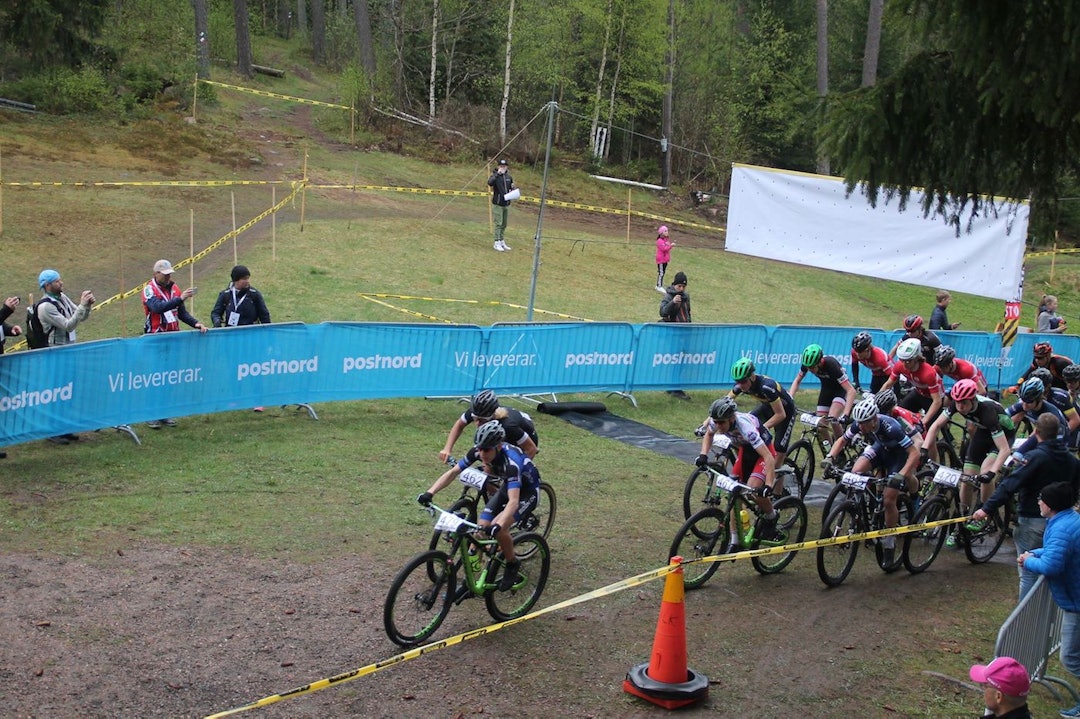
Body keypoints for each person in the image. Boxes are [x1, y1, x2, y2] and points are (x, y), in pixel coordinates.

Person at [419, 421, 540, 592]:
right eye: (479, 448)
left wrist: (499, 524)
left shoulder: (511, 464)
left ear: (498, 446)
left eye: (487, 450)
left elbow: (513, 502)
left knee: (499, 529)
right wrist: (429, 493)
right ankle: (478, 577)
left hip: (527, 493)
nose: (482, 453)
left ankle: (512, 563)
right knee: (480, 531)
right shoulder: (478, 451)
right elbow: (454, 472)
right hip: (507, 487)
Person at [972, 413, 1080, 599]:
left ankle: (1025, 620)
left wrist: (986, 508)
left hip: (1032, 521)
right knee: (1055, 569)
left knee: (1028, 573)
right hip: (1062, 524)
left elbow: (1009, 484)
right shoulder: (1072, 460)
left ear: (1036, 432)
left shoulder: (1034, 457)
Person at [822, 397, 920, 567]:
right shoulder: (861, 423)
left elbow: (914, 453)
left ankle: (889, 543)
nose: (860, 427)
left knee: (889, 500)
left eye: (863, 423)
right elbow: (842, 440)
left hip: (898, 456)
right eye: (858, 423)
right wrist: (830, 458)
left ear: (874, 419)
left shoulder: (892, 428)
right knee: (855, 472)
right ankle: (860, 505)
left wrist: (901, 474)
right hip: (880, 449)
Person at [923, 379, 1015, 547]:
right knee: (966, 478)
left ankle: (985, 512)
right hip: (983, 433)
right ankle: (962, 521)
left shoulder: (987, 412)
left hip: (1003, 436)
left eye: (964, 403)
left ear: (973, 399)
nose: (960, 407)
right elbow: (935, 425)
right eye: (957, 402)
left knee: (986, 472)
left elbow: (1004, 450)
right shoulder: (956, 404)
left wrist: (992, 473)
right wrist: (924, 449)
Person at [1016, 480, 1080, 718]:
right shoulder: (1068, 520)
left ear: (1050, 505)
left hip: (1076, 603)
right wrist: (1035, 553)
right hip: (1074, 598)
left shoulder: (1062, 527)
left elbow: (1052, 564)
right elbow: (1056, 549)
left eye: (1041, 498)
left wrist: (1026, 561)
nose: (1038, 501)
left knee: (1071, 658)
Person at [695, 397, 779, 545]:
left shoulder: (746, 429)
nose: (718, 426)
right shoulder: (717, 421)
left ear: (732, 418)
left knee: (753, 491)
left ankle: (772, 516)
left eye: (722, 423)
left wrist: (769, 486)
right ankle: (734, 541)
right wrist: (703, 455)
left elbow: (768, 457)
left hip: (762, 452)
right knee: (735, 493)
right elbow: (709, 435)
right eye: (716, 422)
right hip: (744, 450)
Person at [142, 259, 207, 428]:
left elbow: (181, 313)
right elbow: (157, 308)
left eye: (170, 273)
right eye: (165, 274)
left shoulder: (175, 289)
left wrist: (196, 323)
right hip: (156, 338)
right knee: (156, 377)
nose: (168, 277)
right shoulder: (149, 290)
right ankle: (151, 414)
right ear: (156, 274)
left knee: (170, 376)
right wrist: (180, 298)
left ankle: (165, 412)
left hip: (173, 338)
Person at [35, 269, 95, 445]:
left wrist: (87, 305)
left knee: (67, 389)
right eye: (57, 281)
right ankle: (51, 430)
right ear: (47, 285)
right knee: (55, 391)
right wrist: (83, 306)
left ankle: (64, 427)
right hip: (55, 351)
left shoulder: (62, 297)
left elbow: (80, 317)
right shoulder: (46, 306)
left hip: (69, 350)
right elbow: (68, 325)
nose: (61, 283)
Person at [729, 357, 796, 469]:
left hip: (785, 412)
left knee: (777, 461)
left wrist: (762, 428)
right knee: (743, 427)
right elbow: (724, 403)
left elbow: (781, 414)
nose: (741, 385)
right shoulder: (741, 386)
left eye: (744, 381)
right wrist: (706, 424)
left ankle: (777, 483)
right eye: (738, 382)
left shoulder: (766, 387)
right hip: (766, 407)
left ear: (752, 376)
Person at [439, 389, 539, 463]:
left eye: (482, 420)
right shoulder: (478, 412)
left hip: (525, 440)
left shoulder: (507, 425)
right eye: (475, 419)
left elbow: (531, 449)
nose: (477, 423)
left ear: (492, 416)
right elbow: (459, 425)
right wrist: (447, 449)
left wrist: (518, 471)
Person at [788, 343, 857, 440]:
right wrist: (790, 398)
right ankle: (830, 452)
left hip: (840, 390)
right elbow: (797, 380)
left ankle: (840, 449)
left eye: (812, 367)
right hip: (827, 389)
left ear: (820, 361)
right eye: (808, 367)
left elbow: (851, 391)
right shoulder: (808, 363)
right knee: (820, 426)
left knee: (833, 419)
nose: (810, 370)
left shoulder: (831, 365)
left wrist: (845, 414)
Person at [879, 337, 945, 424]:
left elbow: (937, 401)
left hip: (932, 398)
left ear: (916, 358)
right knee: (898, 414)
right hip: (918, 392)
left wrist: (924, 421)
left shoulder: (928, 373)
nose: (905, 364)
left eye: (908, 361)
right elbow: (888, 385)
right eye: (902, 360)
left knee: (928, 428)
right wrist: (876, 400)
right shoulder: (900, 366)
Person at [659, 271, 692, 399]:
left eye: (684, 287)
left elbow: (688, 313)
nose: (681, 289)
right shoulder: (668, 296)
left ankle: (673, 386)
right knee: (677, 360)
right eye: (679, 286)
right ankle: (674, 387)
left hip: (684, 332)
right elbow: (662, 312)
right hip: (673, 333)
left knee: (682, 360)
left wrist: (690, 326)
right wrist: (673, 302)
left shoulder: (686, 297)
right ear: (674, 285)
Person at [487, 159, 515, 252]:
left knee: (504, 224)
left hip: (506, 203)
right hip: (498, 203)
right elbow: (490, 182)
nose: (502, 168)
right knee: (498, 223)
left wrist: (513, 190)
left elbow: (511, 187)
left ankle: (502, 240)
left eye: (504, 166)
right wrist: (497, 174)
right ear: (498, 166)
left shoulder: (509, 177)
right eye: (501, 166)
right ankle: (496, 242)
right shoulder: (495, 176)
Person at [654, 225, 673, 293]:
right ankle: (659, 286)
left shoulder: (666, 240)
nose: (667, 232)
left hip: (665, 259)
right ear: (661, 233)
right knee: (661, 273)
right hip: (661, 260)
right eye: (665, 231)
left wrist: (669, 245)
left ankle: (659, 284)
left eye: (667, 230)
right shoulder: (659, 241)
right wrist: (671, 246)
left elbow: (667, 247)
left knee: (663, 272)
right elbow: (664, 249)